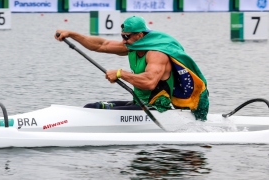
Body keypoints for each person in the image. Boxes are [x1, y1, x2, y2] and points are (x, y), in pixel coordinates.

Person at [55, 16, 209, 121]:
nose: (123, 40)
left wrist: (120, 74)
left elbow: (149, 82)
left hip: (156, 109)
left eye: (126, 37)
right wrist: (72, 34)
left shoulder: (156, 54)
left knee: (98, 115)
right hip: (139, 104)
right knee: (91, 108)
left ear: (140, 35)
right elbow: (101, 45)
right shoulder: (133, 46)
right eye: (122, 36)